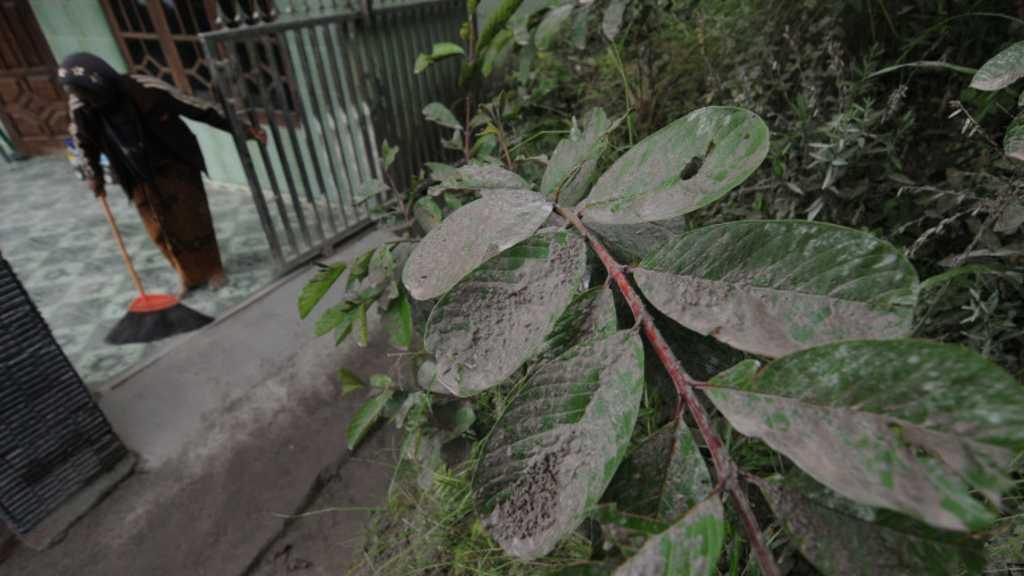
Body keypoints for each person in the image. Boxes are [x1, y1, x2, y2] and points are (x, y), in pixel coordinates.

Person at [59, 52, 266, 296]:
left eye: (91, 95)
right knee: (158, 229)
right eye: (81, 95)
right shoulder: (80, 105)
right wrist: (93, 176)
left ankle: (212, 270)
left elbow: (199, 108)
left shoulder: (144, 88)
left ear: (102, 83)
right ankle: (187, 275)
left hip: (173, 162)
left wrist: (244, 129)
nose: (89, 101)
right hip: (133, 172)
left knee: (191, 220)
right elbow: (83, 143)